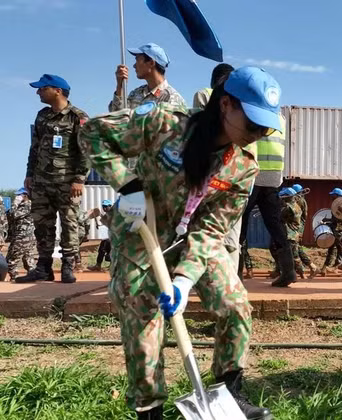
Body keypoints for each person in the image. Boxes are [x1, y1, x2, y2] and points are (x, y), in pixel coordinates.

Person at [80, 66, 281, 419]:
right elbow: (93, 134)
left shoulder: (243, 167)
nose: (258, 134)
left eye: (265, 127)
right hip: (143, 232)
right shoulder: (165, 123)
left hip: (192, 239)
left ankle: (229, 395)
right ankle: (149, 408)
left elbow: (212, 228)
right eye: (252, 123)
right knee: (144, 322)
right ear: (225, 105)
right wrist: (126, 184)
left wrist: (185, 280)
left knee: (234, 305)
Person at [18, 74, 89, 284]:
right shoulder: (42, 116)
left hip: (67, 183)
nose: (38, 92)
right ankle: (43, 267)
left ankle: (68, 265)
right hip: (41, 182)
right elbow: (34, 149)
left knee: (69, 224)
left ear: (57, 91)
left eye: (42, 88)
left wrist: (79, 179)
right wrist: (29, 174)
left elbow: (86, 150)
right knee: (42, 225)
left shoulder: (78, 117)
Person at [237, 82, 293, 287]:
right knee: (275, 225)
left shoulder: (254, 114)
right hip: (273, 178)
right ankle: (288, 270)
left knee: (239, 222)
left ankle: (237, 273)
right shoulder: (280, 118)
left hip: (254, 175)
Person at [192, 63, 245, 275]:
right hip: (232, 176)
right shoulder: (242, 104)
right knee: (229, 237)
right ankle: (227, 282)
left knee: (210, 233)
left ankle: (217, 283)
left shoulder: (204, 95)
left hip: (216, 176)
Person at [110, 43, 186, 112]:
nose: (134, 65)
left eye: (137, 60)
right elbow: (118, 117)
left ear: (151, 63)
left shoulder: (171, 98)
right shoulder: (136, 93)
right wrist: (120, 86)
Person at [7, 188, 36, 281]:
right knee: (28, 258)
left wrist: (14, 203)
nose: (17, 197)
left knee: (11, 258)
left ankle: (14, 277)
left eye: (19, 195)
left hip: (22, 236)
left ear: (25, 196)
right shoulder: (26, 205)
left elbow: (12, 215)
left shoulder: (26, 205)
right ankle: (32, 276)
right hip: (27, 236)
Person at [318, 188, 342, 276]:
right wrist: (326, 220)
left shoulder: (340, 206)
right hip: (336, 230)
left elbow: (339, 220)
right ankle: (324, 269)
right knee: (331, 250)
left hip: (339, 231)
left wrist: (328, 222)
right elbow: (334, 219)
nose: (331, 196)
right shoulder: (336, 205)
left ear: (337, 196)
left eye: (333, 195)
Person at [292, 184, 317, 277]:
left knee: (296, 249)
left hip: (296, 229)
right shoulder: (301, 200)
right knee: (296, 249)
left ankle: (310, 267)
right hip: (297, 228)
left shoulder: (299, 201)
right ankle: (310, 267)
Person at [280, 188, 305, 280]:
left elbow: (280, 217)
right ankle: (300, 273)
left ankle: (301, 273)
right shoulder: (296, 206)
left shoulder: (288, 207)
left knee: (293, 256)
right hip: (295, 234)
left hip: (290, 234)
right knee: (295, 255)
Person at [88, 200, 114, 272]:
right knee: (101, 250)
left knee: (110, 251)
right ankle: (98, 265)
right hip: (106, 237)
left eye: (106, 206)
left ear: (110, 206)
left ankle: (111, 266)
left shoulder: (113, 215)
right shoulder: (106, 216)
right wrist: (100, 227)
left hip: (112, 237)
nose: (105, 208)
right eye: (103, 207)